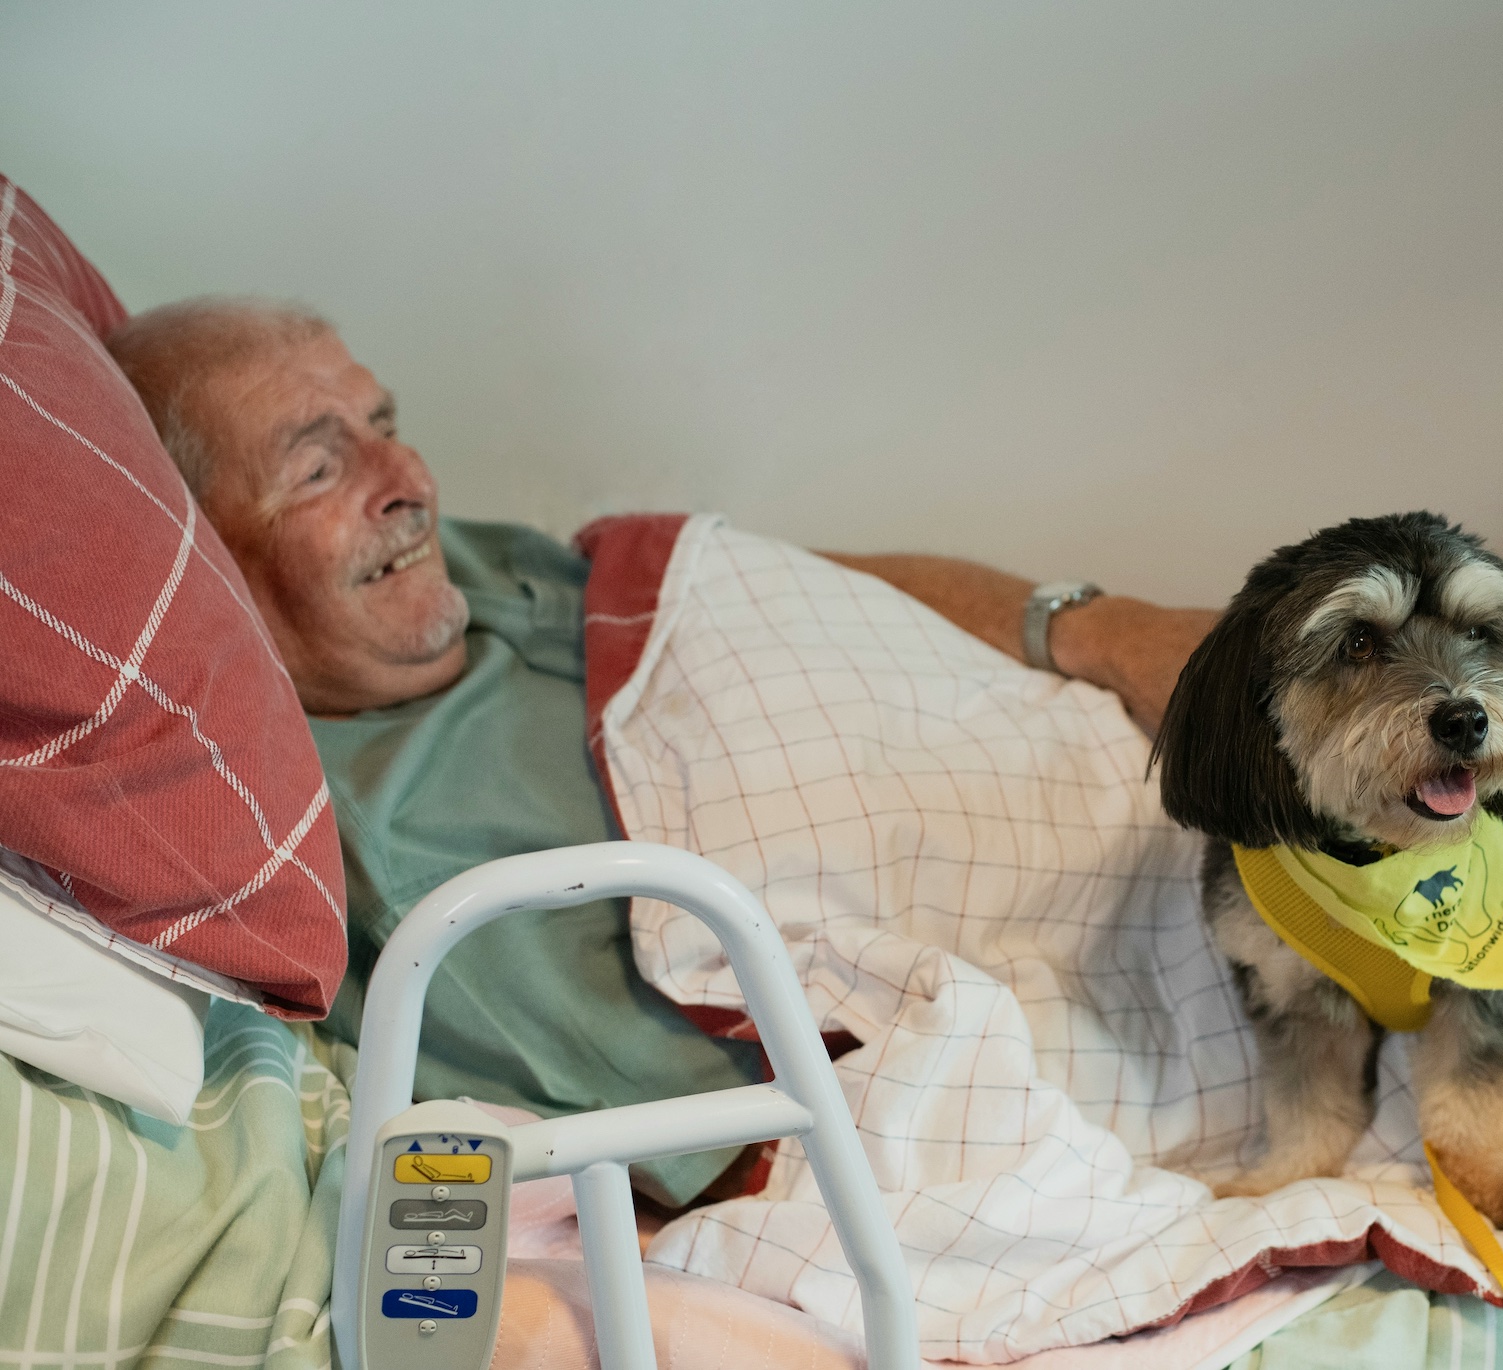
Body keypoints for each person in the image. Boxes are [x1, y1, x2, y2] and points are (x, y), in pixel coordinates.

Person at [106, 296, 1218, 1203]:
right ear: (198, 560)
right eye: (317, 469)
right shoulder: (397, 865)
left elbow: (790, 594)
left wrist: (1102, 630)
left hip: (1150, 775)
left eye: (383, 422)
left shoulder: (485, 569)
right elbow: (784, 1157)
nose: (410, 482)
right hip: (1133, 981)